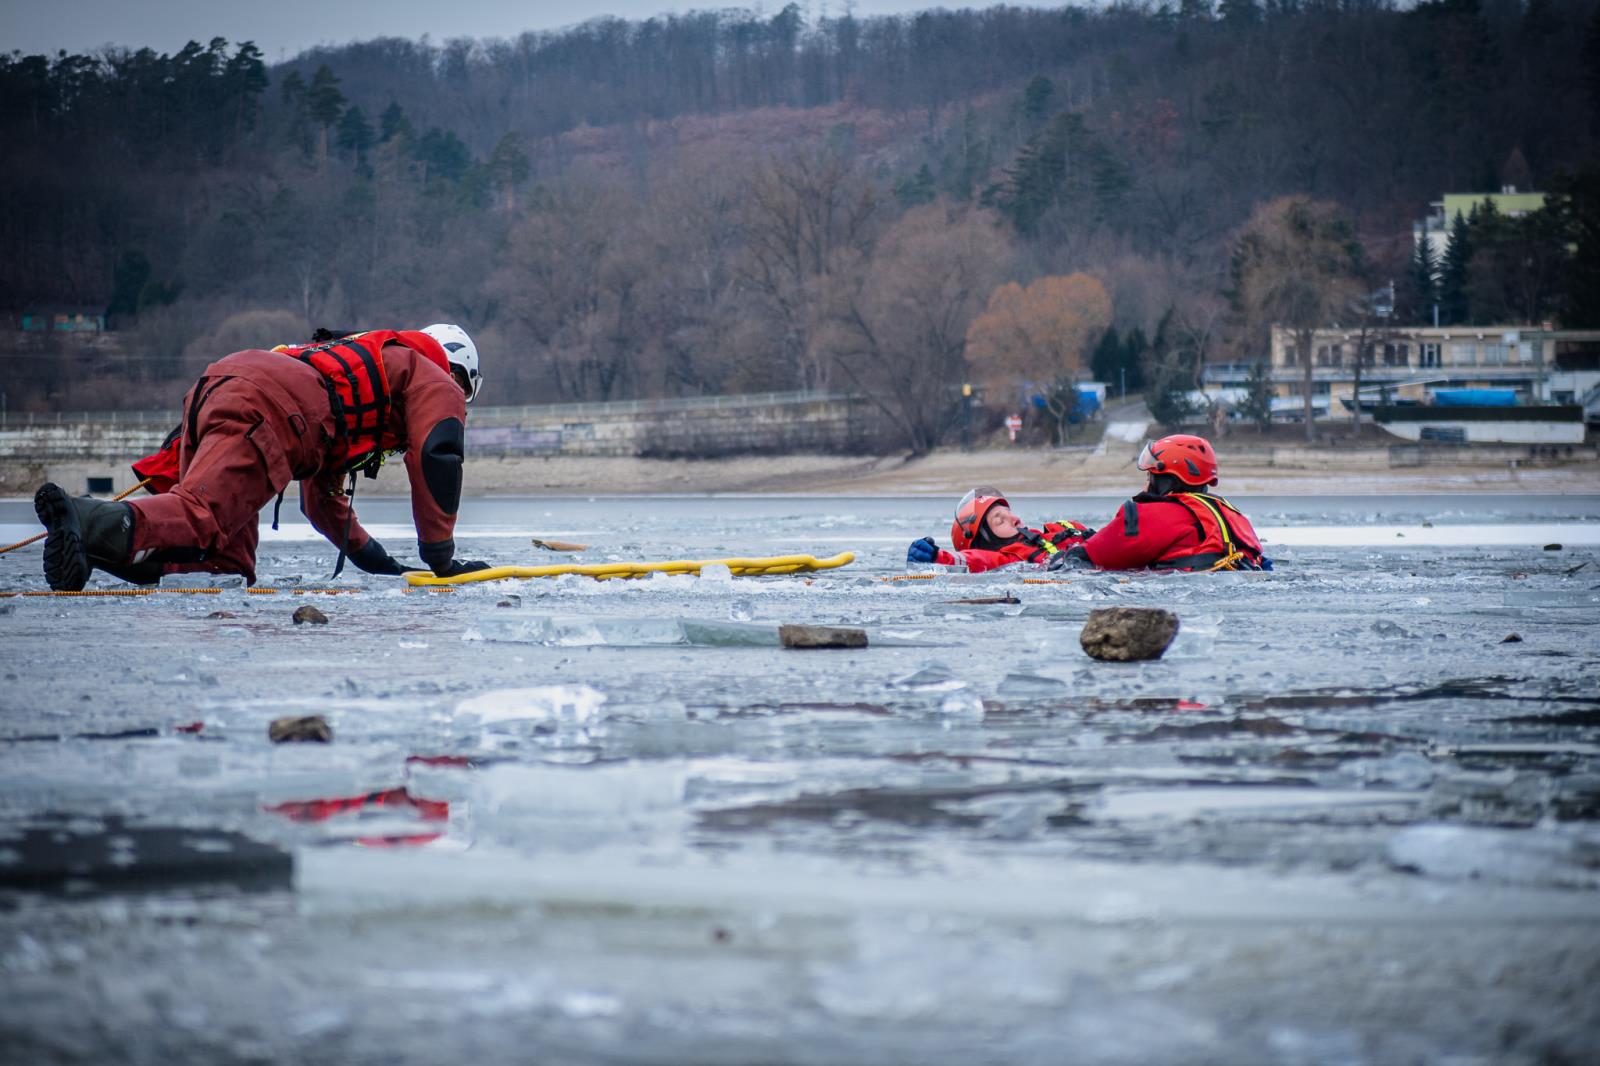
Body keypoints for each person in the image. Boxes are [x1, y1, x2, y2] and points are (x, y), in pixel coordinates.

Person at [33, 325, 490, 590]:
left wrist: (381, 564)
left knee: (227, 565)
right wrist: (441, 557)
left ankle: (92, 546)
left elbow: (321, 504)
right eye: (463, 392)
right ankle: (87, 517)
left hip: (230, 382)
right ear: (459, 375)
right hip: (268, 405)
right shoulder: (433, 378)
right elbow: (439, 453)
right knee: (201, 514)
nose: (459, 403)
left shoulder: (365, 376)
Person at [1050, 433, 1268, 571]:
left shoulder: (1155, 515)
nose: (1146, 484)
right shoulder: (1231, 513)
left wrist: (1064, 558)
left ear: (1167, 479)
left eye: (1150, 477)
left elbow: (1096, 554)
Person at [906, 488, 1095, 573]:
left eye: (1009, 513)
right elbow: (973, 560)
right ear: (986, 541)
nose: (1014, 519)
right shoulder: (1008, 559)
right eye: (1000, 520)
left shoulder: (1063, 528)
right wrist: (935, 557)